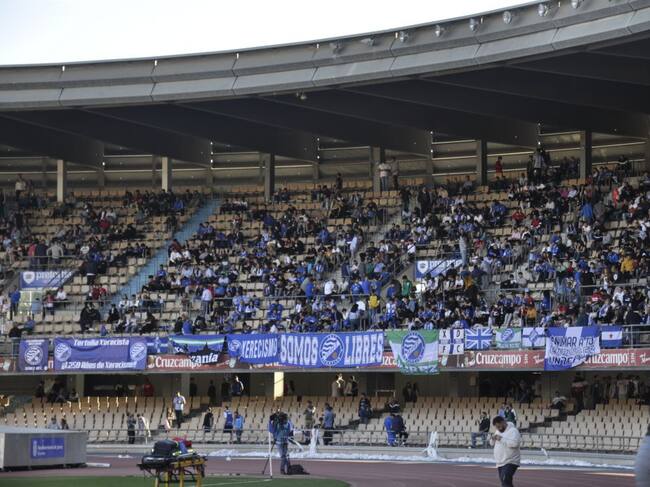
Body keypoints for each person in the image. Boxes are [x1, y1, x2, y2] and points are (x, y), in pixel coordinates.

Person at [491, 416, 521, 487]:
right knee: (505, 482)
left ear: (503, 422)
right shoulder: (498, 431)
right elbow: (491, 443)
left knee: (505, 480)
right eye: (496, 427)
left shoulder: (513, 431)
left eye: (499, 426)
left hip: (510, 461)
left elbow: (515, 444)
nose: (498, 428)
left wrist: (501, 439)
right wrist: (492, 439)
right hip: (500, 462)